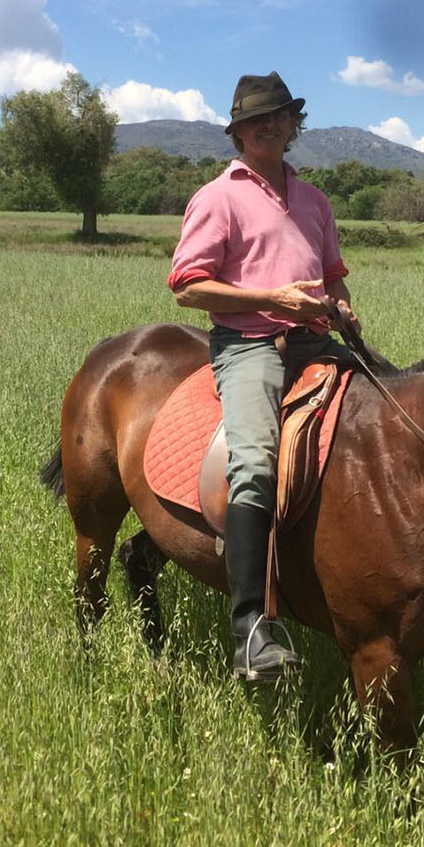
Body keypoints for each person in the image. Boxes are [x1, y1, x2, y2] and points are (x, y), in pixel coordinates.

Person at [168, 71, 359, 682]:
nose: (268, 126)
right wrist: (272, 296)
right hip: (249, 345)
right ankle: (250, 626)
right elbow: (188, 287)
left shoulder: (314, 200)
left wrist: (341, 304)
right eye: (255, 120)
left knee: (400, 413)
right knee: (253, 461)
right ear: (239, 132)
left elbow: (332, 275)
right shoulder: (218, 196)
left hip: (317, 338)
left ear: (292, 124)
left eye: (277, 116)